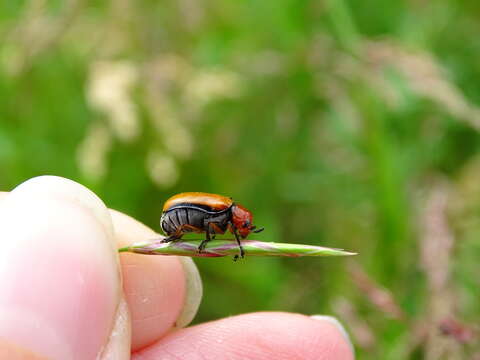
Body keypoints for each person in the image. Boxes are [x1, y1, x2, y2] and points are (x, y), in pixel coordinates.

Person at [0, 176, 354, 360]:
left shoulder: (226, 217)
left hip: (182, 214)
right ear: (238, 219)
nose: (242, 231)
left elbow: (210, 224)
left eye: (243, 231)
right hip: (178, 213)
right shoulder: (224, 211)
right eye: (243, 228)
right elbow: (197, 219)